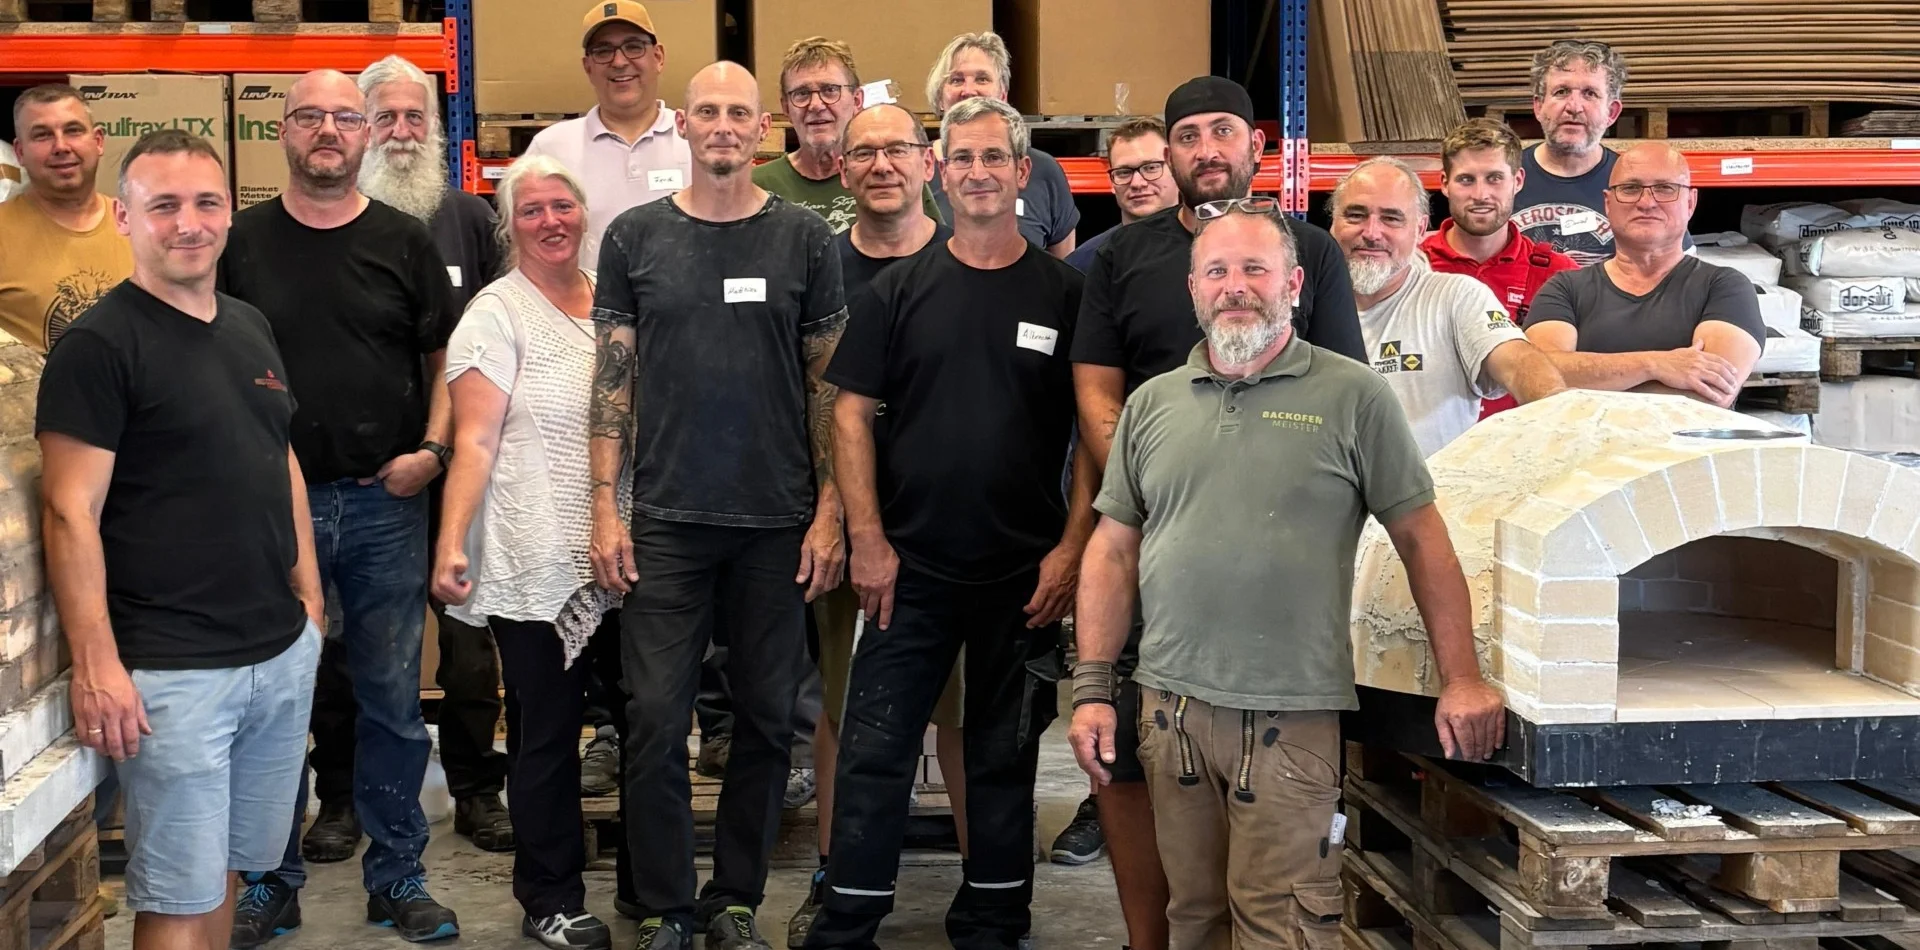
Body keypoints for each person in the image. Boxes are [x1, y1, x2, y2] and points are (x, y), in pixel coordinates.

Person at [1067, 201, 1506, 949]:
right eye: (1216, 271)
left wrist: (1461, 678)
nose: (1235, 286)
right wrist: (1092, 690)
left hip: (1289, 717)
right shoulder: (1151, 404)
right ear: (1194, 289)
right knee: (1191, 918)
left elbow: (1422, 539)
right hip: (1170, 713)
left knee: (1282, 927)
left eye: (1254, 269)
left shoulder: (1352, 396)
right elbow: (1112, 551)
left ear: (1294, 284)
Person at [1065, 75, 1363, 950]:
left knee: (1273, 764)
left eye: (1222, 131)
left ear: (1256, 146)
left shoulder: (1310, 249)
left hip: (1274, 566)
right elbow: (1096, 391)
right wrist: (1150, 495)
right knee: (1131, 756)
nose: (1206, 150)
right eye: (1188, 135)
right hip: (1150, 539)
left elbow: (1340, 394)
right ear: (1169, 151)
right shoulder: (1121, 256)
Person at [802, 94, 1091, 950]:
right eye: (961, 157)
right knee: (875, 747)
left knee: (1004, 752)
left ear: (1023, 171)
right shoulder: (900, 290)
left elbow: (1094, 432)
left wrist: (1071, 551)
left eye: (993, 157)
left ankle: (994, 918)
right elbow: (850, 415)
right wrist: (868, 541)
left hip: (1024, 574)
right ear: (940, 171)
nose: (977, 172)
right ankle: (849, 918)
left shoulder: (1066, 294)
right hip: (909, 568)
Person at [36, 129, 324, 950]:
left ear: (230, 213)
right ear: (124, 217)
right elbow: (69, 512)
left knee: (228, 868)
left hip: (276, 652)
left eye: (206, 203)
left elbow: (279, 455)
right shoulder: (99, 347)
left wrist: (308, 598)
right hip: (174, 673)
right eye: (163, 206)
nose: (188, 223)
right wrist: (98, 665)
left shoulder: (248, 325)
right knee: (176, 894)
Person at [588, 61, 844, 950]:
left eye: (740, 111)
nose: (724, 125)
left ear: (763, 126)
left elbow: (827, 389)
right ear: (685, 125)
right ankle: (664, 904)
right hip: (666, 520)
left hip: (777, 523)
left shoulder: (804, 240)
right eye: (708, 111)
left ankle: (735, 898)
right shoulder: (635, 237)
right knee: (655, 719)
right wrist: (604, 507)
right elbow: (611, 383)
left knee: (768, 722)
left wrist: (830, 510)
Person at [218, 69, 461, 947]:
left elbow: (444, 359)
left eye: (344, 118)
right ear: (282, 132)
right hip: (270, 514)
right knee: (273, 702)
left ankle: (397, 877)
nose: (328, 130)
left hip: (381, 507)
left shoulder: (403, 241)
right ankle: (269, 882)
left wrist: (432, 452)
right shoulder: (240, 243)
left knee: (393, 702)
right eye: (309, 116)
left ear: (365, 135)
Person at [269, 53, 517, 865]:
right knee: (335, 659)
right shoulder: (263, 240)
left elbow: (477, 341)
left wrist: (438, 449)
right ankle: (338, 801)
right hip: (331, 488)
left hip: (443, 470)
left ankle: (461, 801)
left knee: (454, 649)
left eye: (417, 117)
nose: (400, 132)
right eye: (384, 117)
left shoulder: (456, 223)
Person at [783, 100, 969, 947]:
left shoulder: (970, 258)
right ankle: (835, 876)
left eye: (898, 149)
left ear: (928, 163)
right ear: (842, 168)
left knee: (962, 712)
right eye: (864, 153)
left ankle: (984, 888)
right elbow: (815, 400)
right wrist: (837, 519)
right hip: (844, 522)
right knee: (842, 703)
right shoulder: (820, 268)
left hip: (955, 529)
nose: (882, 165)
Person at [429, 154, 624, 950]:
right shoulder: (494, 313)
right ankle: (549, 896)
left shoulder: (614, 299)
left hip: (625, 550)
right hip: (537, 557)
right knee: (547, 732)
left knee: (646, 728)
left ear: (583, 215)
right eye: (532, 209)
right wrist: (451, 540)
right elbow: (473, 439)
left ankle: (649, 888)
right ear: (510, 225)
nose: (551, 221)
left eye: (562, 206)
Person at [1330, 158, 1567, 455]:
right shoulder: (1301, 303)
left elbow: (1518, 362)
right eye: (1355, 215)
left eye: (1391, 218)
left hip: (1431, 486)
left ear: (1419, 229)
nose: (1372, 232)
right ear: (1333, 223)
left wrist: (1557, 413)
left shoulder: (1456, 297)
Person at [1524, 143, 1764, 409]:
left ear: (1690, 203)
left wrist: (1583, 381)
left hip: (1684, 440)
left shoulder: (1724, 288)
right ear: (1608, 203)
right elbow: (1539, 378)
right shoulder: (1564, 289)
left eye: (1665, 188)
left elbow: (1710, 395)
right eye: (1630, 188)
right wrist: (1654, 365)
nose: (1647, 203)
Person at [1421, 118, 1578, 419]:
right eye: (1466, 180)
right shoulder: (1412, 269)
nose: (1481, 194)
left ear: (1517, 181)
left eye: (1494, 178)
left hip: (1523, 441)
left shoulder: (1560, 275)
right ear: (1444, 183)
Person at [523, 0, 694, 268]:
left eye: (633, 47)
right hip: (587, 297)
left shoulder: (695, 141)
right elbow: (527, 248)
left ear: (658, 57)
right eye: (603, 51)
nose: (619, 61)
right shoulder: (549, 150)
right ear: (588, 67)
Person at [1512, 40, 1689, 265]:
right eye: (1561, 92)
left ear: (1612, 112)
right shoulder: (1501, 178)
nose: (1574, 107)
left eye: (1590, 94)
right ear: (1538, 106)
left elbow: (1678, 272)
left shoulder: (1638, 184)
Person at [753, 37, 943, 232]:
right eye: (802, 94)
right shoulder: (757, 186)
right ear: (786, 107)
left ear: (857, 100)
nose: (816, 105)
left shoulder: (890, 176)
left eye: (830, 90)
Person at [0, 84, 133, 352]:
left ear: (98, 141)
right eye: (42, 135)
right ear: (20, 152)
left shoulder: (141, 227)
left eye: (73, 130)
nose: (61, 146)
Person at [924, 32, 1078, 258]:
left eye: (982, 79)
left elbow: (1063, 266)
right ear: (940, 98)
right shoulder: (916, 169)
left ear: (1003, 94)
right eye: (956, 80)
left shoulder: (1044, 169)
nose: (969, 90)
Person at [1066, 117, 1180, 273]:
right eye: (1124, 172)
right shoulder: (1083, 265)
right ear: (1111, 182)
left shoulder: (1207, 250)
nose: (1137, 183)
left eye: (1151, 168)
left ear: (1176, 169)